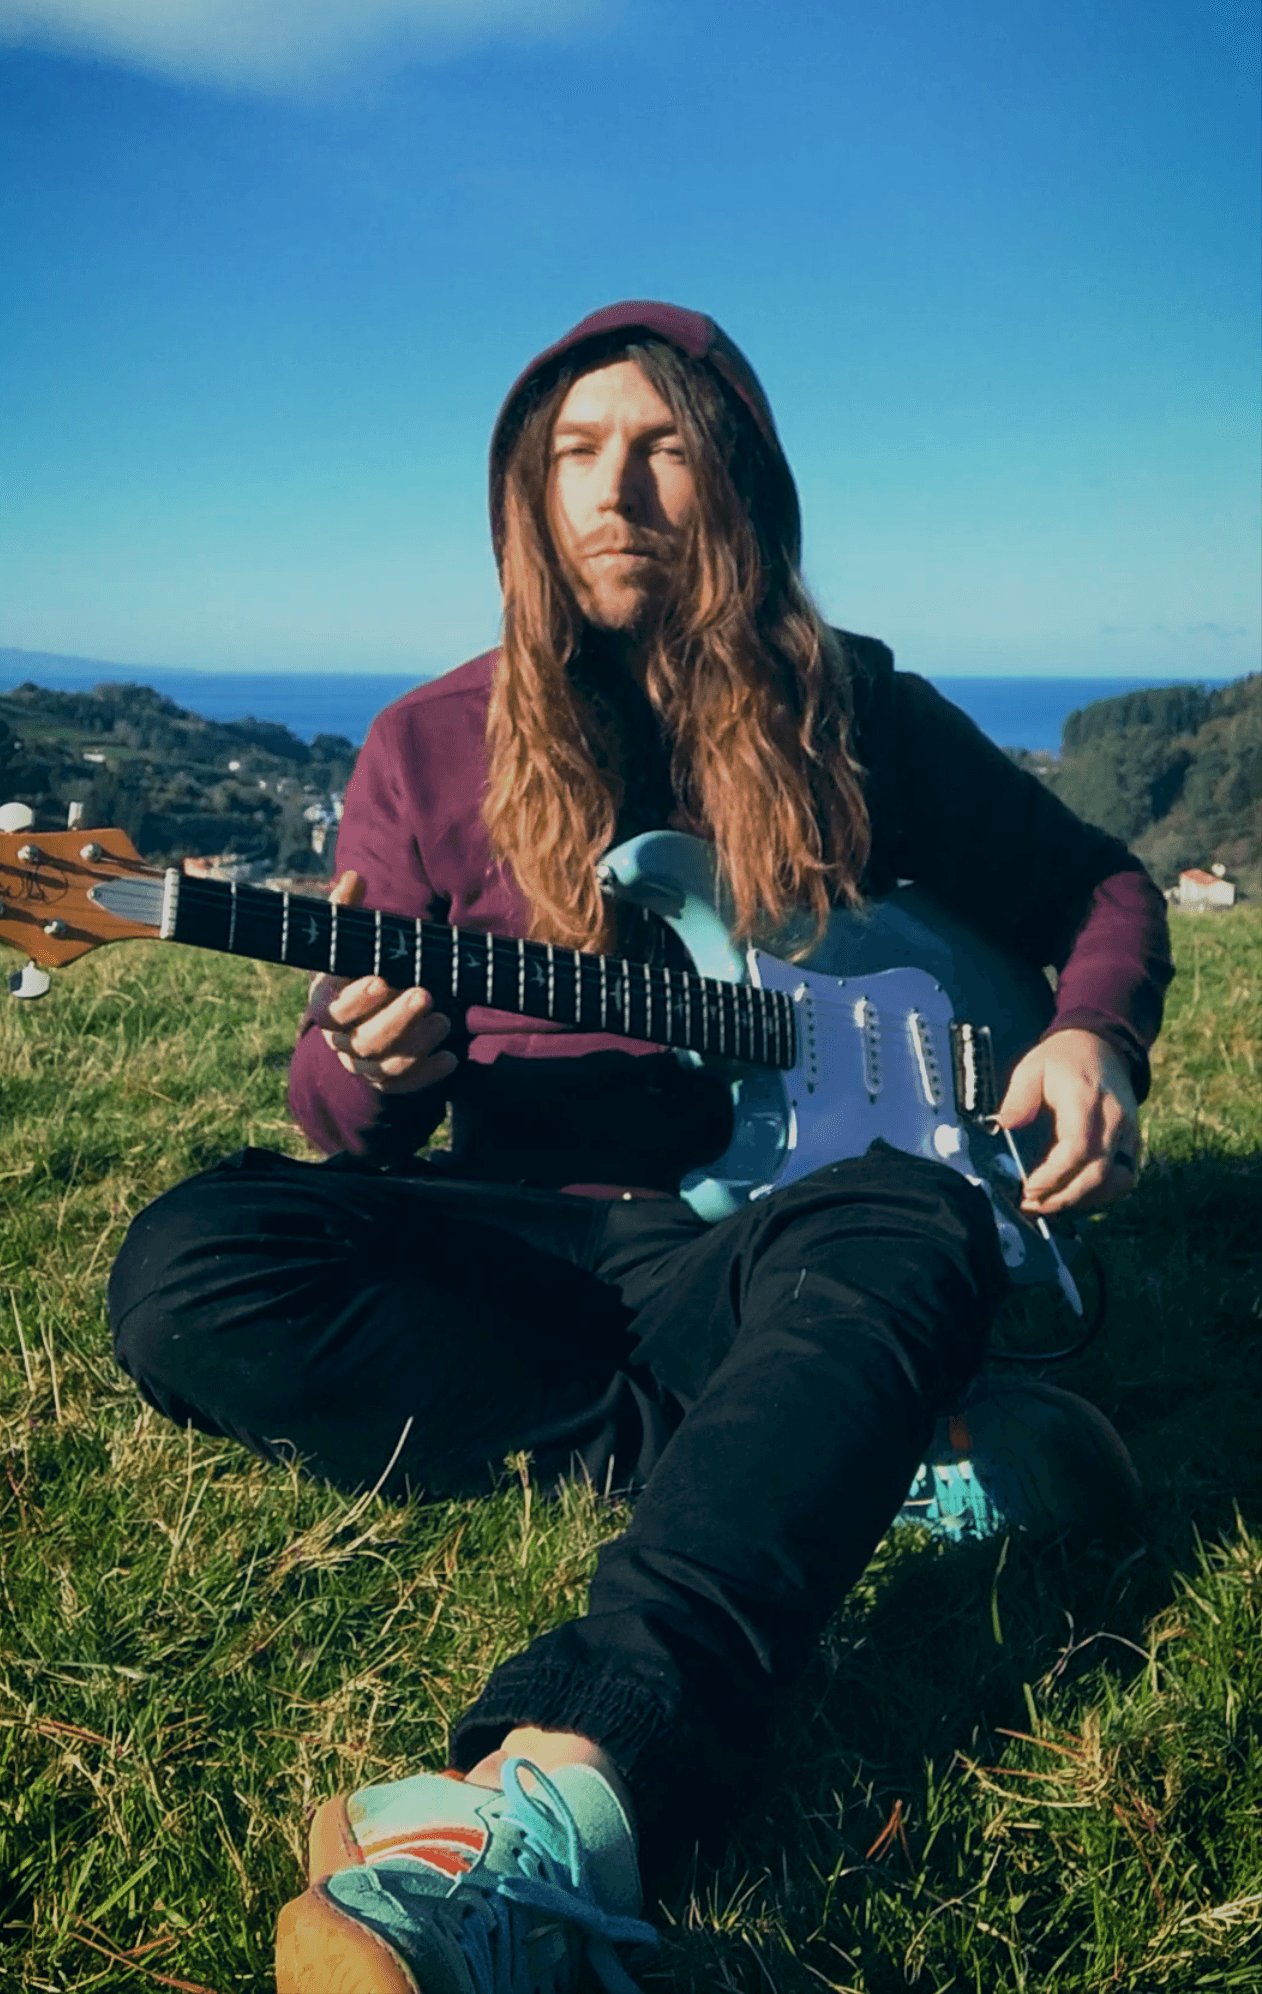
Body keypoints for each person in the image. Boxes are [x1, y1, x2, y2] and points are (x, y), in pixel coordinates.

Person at [108, 302, 1173, 1994]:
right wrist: (369, 1061)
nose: (615, 493)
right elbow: (340, 1126)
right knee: (189, 1263)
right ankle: (831, 1443)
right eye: (575, 455)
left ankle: (570, 1793)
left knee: (908, 1216)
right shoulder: (424, 747)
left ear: (738, 486)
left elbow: (1098, 887)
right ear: (526, 498)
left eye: (663, 450)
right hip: (525, 1232)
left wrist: (1090, 1031)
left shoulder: (853, 710)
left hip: (764, 1237)